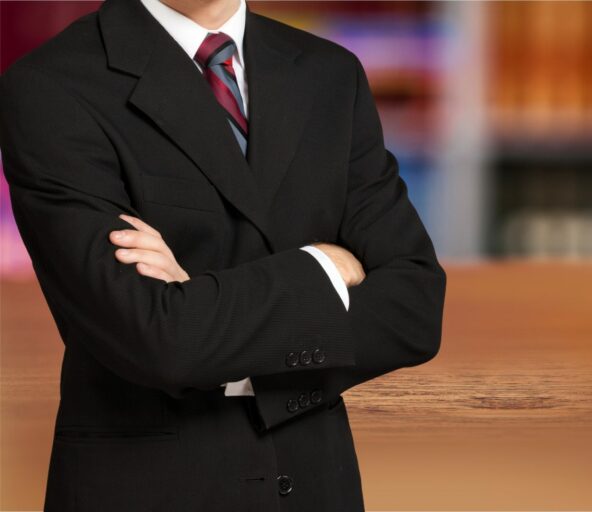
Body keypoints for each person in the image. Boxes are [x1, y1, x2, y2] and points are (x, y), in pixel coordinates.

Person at [0, 0, 446, 509]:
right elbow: (156, 336)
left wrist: (198, 309)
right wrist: (326, 266)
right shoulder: (52, 87)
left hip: (316, 486)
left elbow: (415, 306)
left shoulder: (331, 74)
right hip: (149, 491)